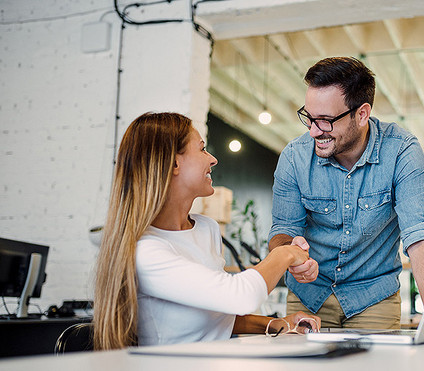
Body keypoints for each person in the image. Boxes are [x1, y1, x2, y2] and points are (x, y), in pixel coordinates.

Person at [268, 57, 424, 337]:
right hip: (308, 298)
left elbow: (420, 235)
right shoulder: (294, 158)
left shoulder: (402, 151)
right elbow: (282, 230)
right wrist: (289, 252)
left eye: (326, 121)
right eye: (309, 117)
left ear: (362, 114)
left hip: (373, 299)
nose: (313, 130)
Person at [94, 112, 320, 350]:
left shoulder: (206, 228)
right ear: (173, 163)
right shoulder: (146, 252)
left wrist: (278, 324)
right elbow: (239, 297)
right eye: (202, 149)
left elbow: (218, 314)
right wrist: (286, 253)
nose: (212, 159)